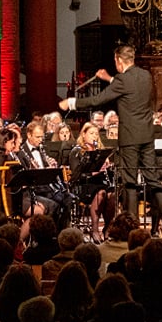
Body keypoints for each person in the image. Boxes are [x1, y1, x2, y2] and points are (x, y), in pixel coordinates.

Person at [62, 45, 157, 229]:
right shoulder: (145, 75)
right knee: (149, 181)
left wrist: (71, 102)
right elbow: (128, 86)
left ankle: (131, 226)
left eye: (115, 61)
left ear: (119, 61)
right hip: (145, 135)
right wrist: (109, 78)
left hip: (130, 136)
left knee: (129, 183)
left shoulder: (123, 79)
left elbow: (98, 100)